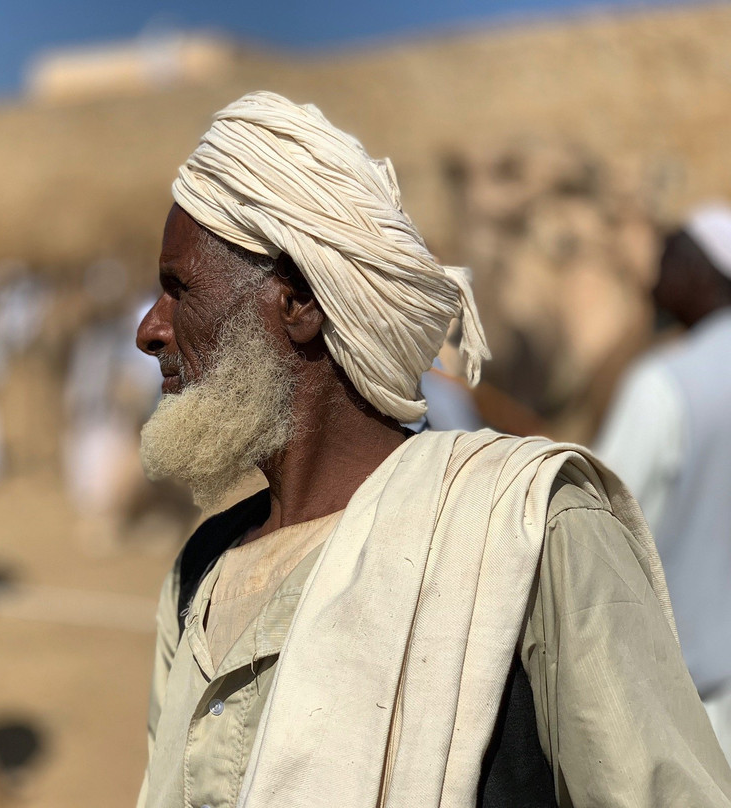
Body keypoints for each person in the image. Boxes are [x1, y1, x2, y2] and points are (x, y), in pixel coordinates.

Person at [133, 91, 731, 808]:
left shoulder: (530, 533)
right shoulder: (199, 575)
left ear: (298, 303)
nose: (150, 330)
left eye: (179, 289)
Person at [595, 203, 731, 760]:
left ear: (703, 271)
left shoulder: (666, 385)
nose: (655, 277)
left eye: (670, 258)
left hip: (690, 709)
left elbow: (597, 523)